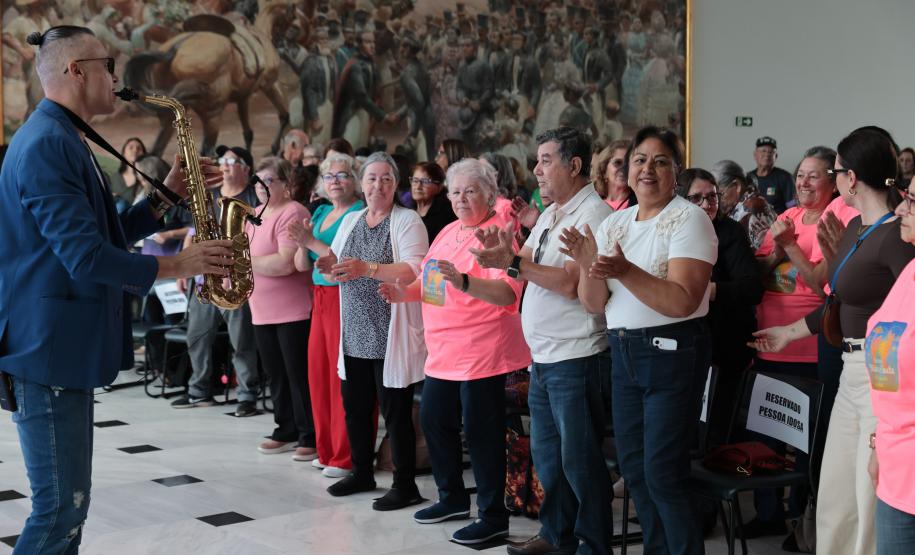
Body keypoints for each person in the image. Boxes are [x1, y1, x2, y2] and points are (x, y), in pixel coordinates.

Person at [0, 25, 232, 553]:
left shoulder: (63, 138)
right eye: (107, 65)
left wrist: (163, 197)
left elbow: (100, 235)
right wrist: (180, 264)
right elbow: (85, 258)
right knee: (59, 509)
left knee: (69, 509)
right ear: (75, 71)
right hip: (47, 351)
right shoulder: (48, 144)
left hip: (59, 348)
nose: (116, 77)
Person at [752, 128, 915, 555]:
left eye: (835, 172)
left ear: (851, 178)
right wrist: (788, 333)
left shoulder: (897, 237)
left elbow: (904, 314)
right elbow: (838, 301)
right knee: (836, 495)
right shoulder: (855, 226)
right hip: (849, 369)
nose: (832, 179)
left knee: (866, 498)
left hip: (881, 376)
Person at [562, 126, 716, 555]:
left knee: (663, 472)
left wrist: (625, 271)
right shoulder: (616, 222)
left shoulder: (689, 219)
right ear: (628, 170)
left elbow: (683, 300)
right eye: (640, 160)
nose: (648, 169)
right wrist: (588, 263)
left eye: (660, 161)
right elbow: (594, 303)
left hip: (672, 352)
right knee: (634, 469)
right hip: (624, 351)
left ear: (676, 172)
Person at [470, 127, 612, 555]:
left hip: (577, 356)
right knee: (549, 458)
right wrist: (504, 254)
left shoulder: (594, 216)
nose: (537, 169)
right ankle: (556, 536)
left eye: (546, 160)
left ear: (575, 165)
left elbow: (570, 284)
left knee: (580, 461)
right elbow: (527, 260)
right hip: (545, 357)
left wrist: (513, 262)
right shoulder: (551, 213)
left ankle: (594, 545)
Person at [380, 159, 531, 545]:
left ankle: (493, 517)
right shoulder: (448, 231)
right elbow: (431, 286)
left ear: (489, 195)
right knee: (434, 420)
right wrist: (403, 293)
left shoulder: (498, 234)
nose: (462, 198)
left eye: (471, 191)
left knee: (482, 433)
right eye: (456, 191)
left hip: (483, 350)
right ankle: (452, 498)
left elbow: (507, 294)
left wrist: (464, 281)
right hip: (443, 351)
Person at [315, 151, 429, 511]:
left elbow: (414, 269)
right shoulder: (352, 219)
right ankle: (362, 472)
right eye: (371, 178)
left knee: (396, 414)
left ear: (395, 184)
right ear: (361, 184)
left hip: (389, 333)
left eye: (386, 179)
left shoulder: (407, 220)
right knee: (356, 409)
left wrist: (368, 268)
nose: (378, 185)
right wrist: (329, 264)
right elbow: (339, 262)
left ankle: (405, 485)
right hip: (354, 331)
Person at [289, 152, 365, 478]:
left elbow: (346, 260)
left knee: (340, 376)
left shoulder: (360, 213)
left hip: (345, 297)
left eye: (343, 175)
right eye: (329, 176)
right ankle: (326, 449)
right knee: (318, 372)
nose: (335, 181)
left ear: (355, 180)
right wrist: (300, 243)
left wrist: (309, 240)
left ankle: (344, 455)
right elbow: (301, 265)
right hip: (319, 296)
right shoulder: (320, 212)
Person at [172, 145, 261, 417]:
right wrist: (183, 270)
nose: (224, 164)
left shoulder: (254, 198)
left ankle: (247, 395)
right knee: (197, 336)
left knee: (241, 341)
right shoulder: (209, 196)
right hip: (205, 279)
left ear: (246, 168)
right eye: (222, 159)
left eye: (232, 160)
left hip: (236, 281)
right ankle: (199, 390)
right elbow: (192, 233)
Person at [677, 168, 762, 446]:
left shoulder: (730, 231)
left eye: (712, 197)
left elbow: (752, 288)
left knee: (716, 430)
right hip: (686, 342)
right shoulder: (672, 230)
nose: (706, 204)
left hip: (726, 342)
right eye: (696, 198)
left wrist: (706, 291)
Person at [245, 156, 317, 461]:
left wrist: (245, 262)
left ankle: (309, 435)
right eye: (258, 181)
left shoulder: (293, 211)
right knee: (275, 373)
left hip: (292, 310)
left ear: (286, 184)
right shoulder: (254, 214)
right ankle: (285, 428)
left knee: (297, 375)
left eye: (269, 181)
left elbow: (285, 263)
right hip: (261, 309)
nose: (261, 187)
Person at [865, 176, 915, 553]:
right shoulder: (910, 272)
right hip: (897, 466)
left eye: (911, 201)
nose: (899, 209)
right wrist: (878, 443)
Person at [712, 159, 777, 250]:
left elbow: (759, 254)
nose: (718, 200)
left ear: (737, 186)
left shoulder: (752, 207)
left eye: (720, 194)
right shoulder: (740, 206)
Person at [747, 136, 796, 214]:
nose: (767, 154)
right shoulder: (748, 178)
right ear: (755, 155)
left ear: (776, 156)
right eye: (763, 151)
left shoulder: (785, 177)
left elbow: (793, 208)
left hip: (777, 220)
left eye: (771, 152)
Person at [410, 161, 455, 242]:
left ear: (439, 187)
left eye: (425, 181)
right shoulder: (408, 211)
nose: (418, 186)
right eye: (415, 180)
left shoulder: (446, 213)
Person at [592, 139, 637, 210]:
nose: (624, 168)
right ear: (604, 171)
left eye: (629, 164)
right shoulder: (593, 202)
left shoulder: (639, 205)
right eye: (618, 163)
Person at [109, 136, 147, 209]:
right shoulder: (114, 177)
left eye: (139, 148)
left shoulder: (147, 178)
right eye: (131, 147)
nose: (135, 150)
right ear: (123, 153)